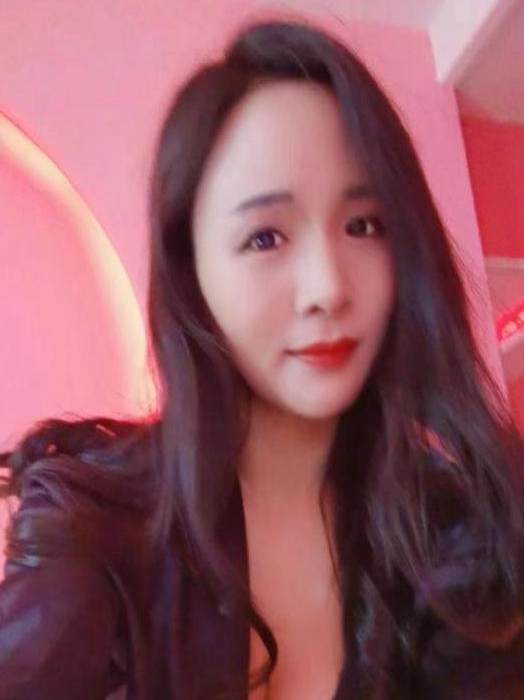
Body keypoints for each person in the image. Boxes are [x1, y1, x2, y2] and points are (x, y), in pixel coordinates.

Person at [1, 17, 524, 700]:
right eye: (266, 238)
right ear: (192, 272)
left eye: (364, 225)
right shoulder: (95, 526)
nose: (328, 287)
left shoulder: (461, 529)